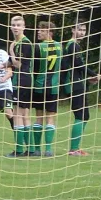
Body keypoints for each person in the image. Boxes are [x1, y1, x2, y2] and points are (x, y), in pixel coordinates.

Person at [62, 20, 100, 156]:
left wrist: (88, 78)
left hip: (77, 82)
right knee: (81, 114)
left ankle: (76, 147)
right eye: (79, 29)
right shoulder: (72, 45)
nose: (82, 32)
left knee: (85, 115)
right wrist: (94, 74)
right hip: (73, 84)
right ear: (73, 29)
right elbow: (78, 65)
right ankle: (73, 149)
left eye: (84, 30)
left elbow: (75, 66)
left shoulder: (75, 45)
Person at [31, 21, 62, 157]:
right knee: (50, 118)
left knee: (39, 117)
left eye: (42, 30)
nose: (38, 32)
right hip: (53, 87)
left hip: (39, 86)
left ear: (50, 32)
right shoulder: (59, 47)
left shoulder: (37, 47)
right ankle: (48, 149)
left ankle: (37, 149)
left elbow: (34, 68)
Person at [6, 16, 34, 157]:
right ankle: (31, 149)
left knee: (17, 114)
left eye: (18, 25)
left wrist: (11, 51)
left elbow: (19, 64)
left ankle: (18, 149)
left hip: (23, 80)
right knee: (24, 115)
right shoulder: (19, 43)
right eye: (13, 25)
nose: (15, 27)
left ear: (24, 27)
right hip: (23, 80)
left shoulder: (24, 43)